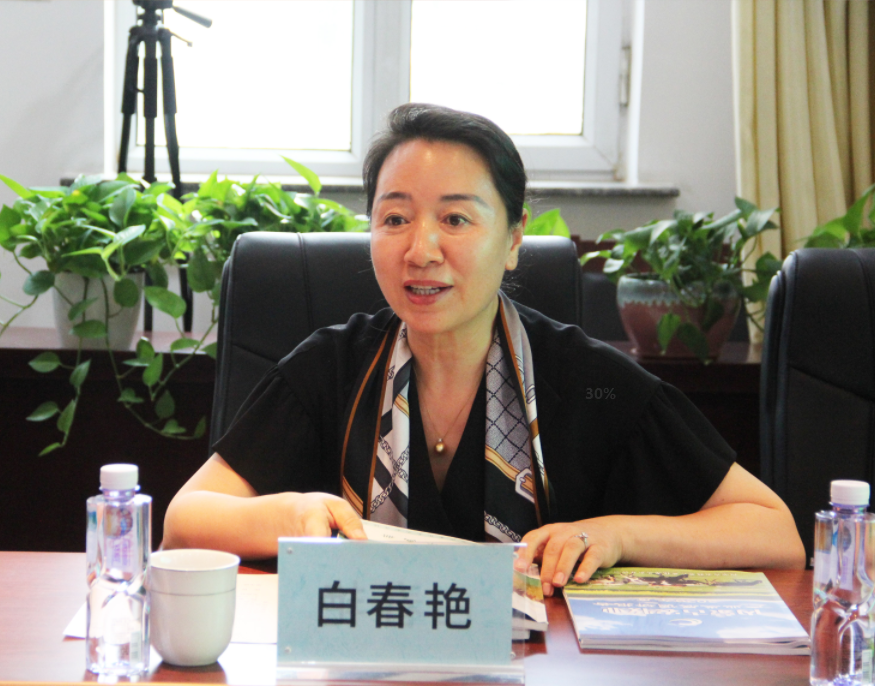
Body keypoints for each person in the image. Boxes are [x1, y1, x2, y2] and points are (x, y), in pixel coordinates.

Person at [164, 103, 805, 595]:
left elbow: (774, 533)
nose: (421, 250)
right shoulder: (330, 367)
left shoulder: (587, 380)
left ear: (514, 238)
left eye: (456, 218)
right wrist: (292, 512)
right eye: (395, 218)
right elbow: (185, 517)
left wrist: (614, 535)